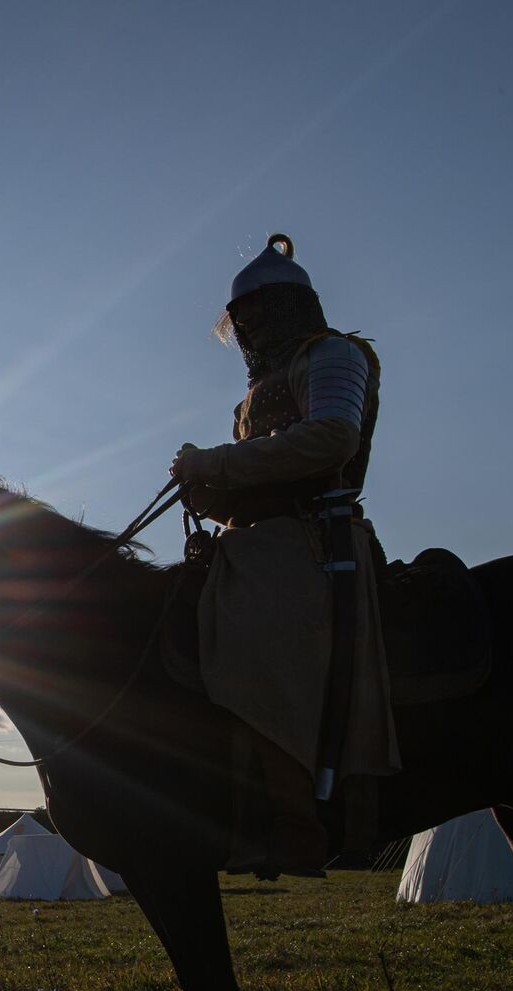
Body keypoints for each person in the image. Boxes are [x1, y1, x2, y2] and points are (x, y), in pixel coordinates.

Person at [170, 234, 399, 873]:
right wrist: (206, 488)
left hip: (313, 538)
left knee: (257, 627)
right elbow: (254, 484)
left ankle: (296, 818)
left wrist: (214, 461)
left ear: (290, 306)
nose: (247, 328)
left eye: (257, 313)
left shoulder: (333, 354)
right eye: (240, 320)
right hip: (257, 539)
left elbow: (331, 436)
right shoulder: (253, 393)